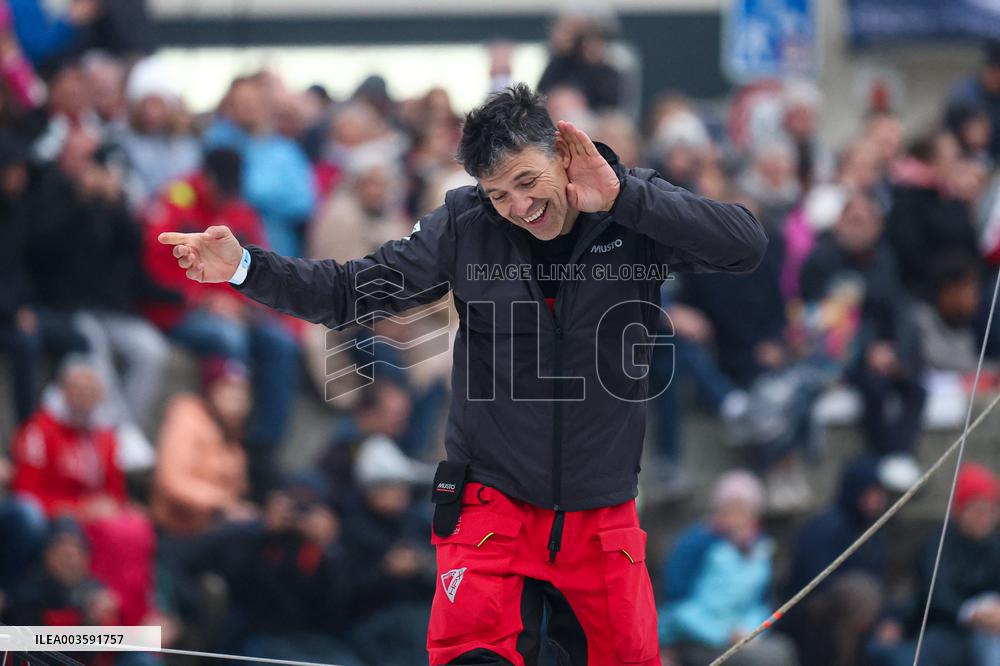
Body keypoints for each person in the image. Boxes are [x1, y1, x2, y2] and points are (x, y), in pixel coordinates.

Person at [160, 84, 767, 665]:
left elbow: (745, 245)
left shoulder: (631, 208)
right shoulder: (464, 226)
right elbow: (351, 291)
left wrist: (625, 198)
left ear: (562, 151)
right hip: (490, 507)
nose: (520, 207)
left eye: (528, 182)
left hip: (602, 515)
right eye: (500, 194)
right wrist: (244, 267)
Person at [659, 470, 798, 666]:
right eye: (730, 507)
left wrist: (750, 631)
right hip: (695, 637)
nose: (736, 515)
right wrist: (724, 633)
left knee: (783, 650)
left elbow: (761, 602)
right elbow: (678, 605)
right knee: (763, 659)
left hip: (740, 635)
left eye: (743, 507)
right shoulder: (695, 545)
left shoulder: (760, 547)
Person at [911, 463, 1000, 666]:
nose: (985, 518)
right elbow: (937, 595)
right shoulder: (938, 544)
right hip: (946, 628)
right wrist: (972, 613)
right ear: (961, 510)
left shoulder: (994, 546)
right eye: (978, 510)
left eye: (991, 511)